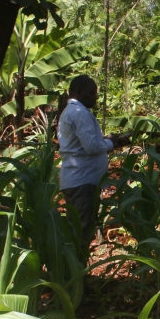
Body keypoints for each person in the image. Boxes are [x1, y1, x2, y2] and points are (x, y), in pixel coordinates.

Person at [57, 76, 130, 246]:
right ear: (78, 92)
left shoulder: (73, 112)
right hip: (82, 180)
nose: (94, 98)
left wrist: (110, 141)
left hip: (80, 179)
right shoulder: (80, 113)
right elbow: (91, 146)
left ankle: (75, 268)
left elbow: (85, 144)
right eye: (91, 93)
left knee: (79, 227)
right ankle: (75, 269)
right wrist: (111, 142)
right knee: (81, 230)